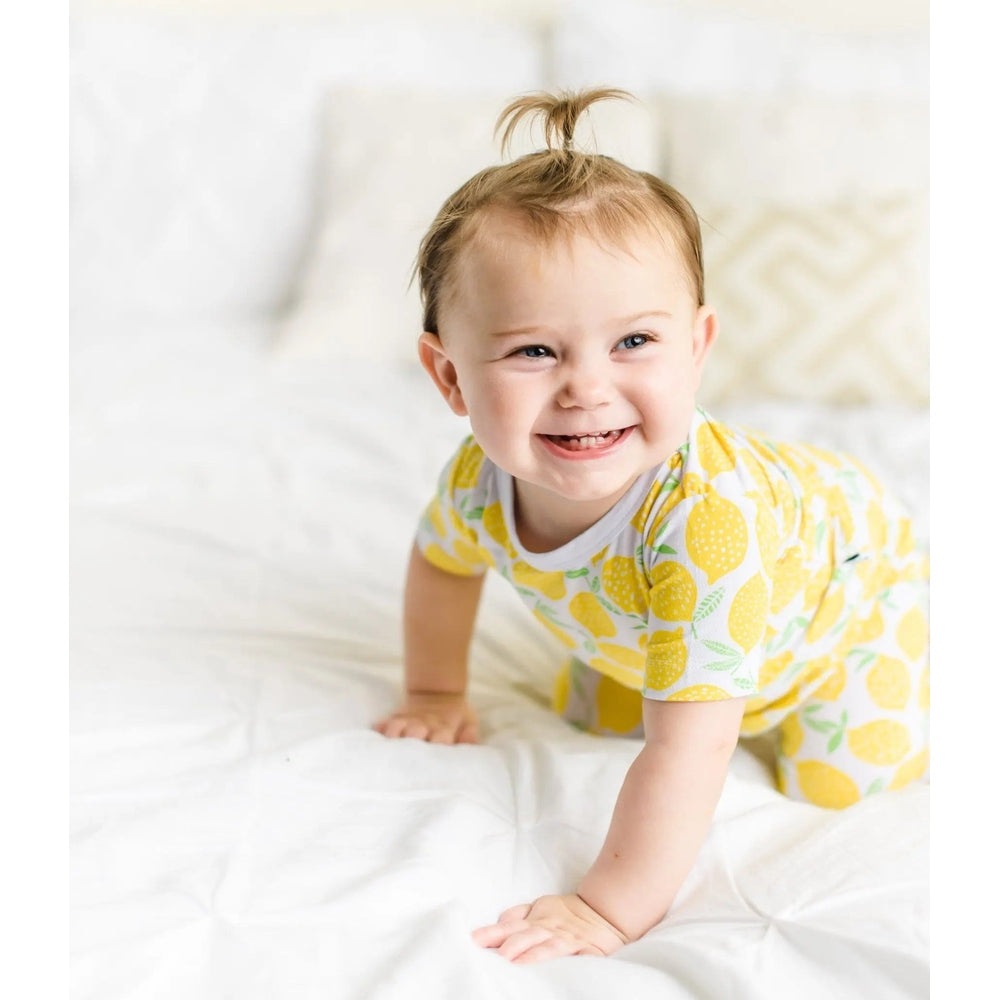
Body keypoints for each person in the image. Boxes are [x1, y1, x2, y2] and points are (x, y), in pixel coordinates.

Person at [373, 88, 929, 963]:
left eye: (633, 342)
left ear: (697, 348)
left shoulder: (707, 528)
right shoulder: (481, 479)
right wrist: (435, 691)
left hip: (851, 615)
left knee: (840, 790)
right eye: (534, 350)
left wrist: (608, 909)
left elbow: (692, 750)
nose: (587, 389)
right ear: (449, 378)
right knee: (592, 717)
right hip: (636, 626)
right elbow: (444, 562)